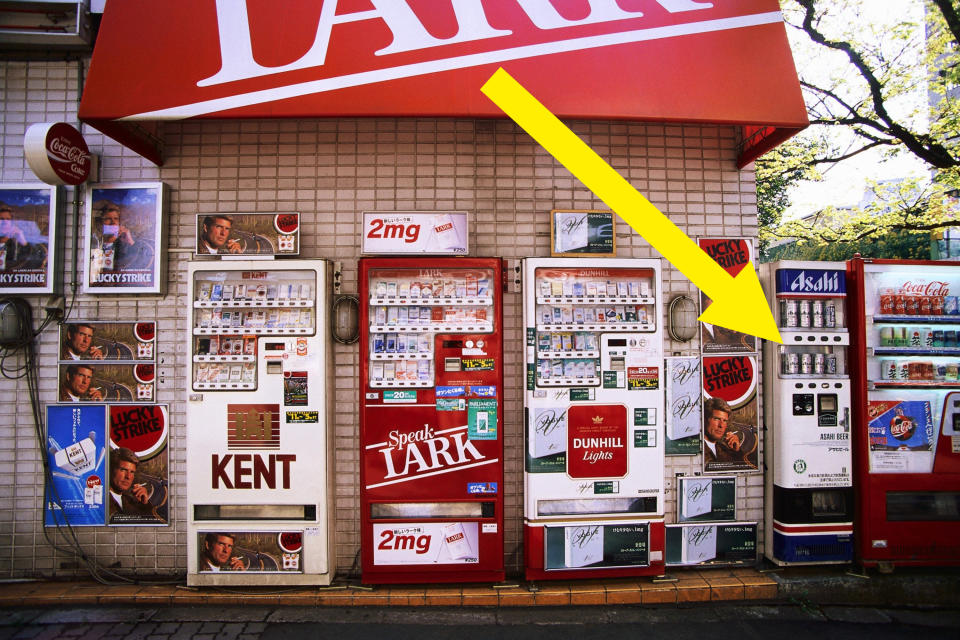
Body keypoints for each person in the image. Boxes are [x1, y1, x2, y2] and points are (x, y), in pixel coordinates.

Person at [108, 447, 161, 522]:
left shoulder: (130, 501)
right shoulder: (101, 501)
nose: (128, 476)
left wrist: (144, 504)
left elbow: (147, 525)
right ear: (111, 470)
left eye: (132, 472)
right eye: (123, 470)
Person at [703, 397, 757, 467]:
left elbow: (738, 469)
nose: (721, 425)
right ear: (705, 420)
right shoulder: (698, 448)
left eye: (724, 421)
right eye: (716, 419)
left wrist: (736, 451)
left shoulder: (722, 448)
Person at [92, 202, 136, 270]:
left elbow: (138, 263)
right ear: (100, 223)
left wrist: (130, 241)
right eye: (108, 219)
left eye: (116, 219)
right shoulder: (94, 242)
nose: (113, 222)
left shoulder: (124, 244)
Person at [0, 203, 29, 270]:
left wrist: (22, 240)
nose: (5, 222)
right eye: (1, 219)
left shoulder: (16, 240)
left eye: (8, 219)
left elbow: (28, 257)